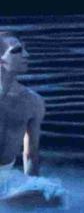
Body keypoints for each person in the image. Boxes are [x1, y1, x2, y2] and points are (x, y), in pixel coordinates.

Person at [0, 32, 67, 208]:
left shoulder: (32, 101)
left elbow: (31, 155)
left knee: (54, 196)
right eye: (17, 51)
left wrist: (32, 187)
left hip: (4, 179)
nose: (26, 55)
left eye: (25, 50)